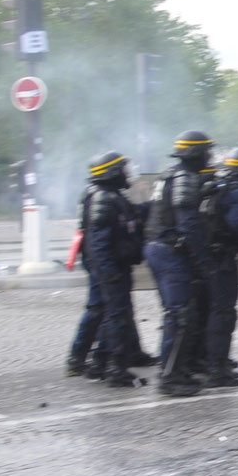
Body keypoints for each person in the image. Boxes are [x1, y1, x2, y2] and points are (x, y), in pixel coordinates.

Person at [144, 131, 218, 397]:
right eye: (207, 151)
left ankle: (180, 368)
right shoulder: (185, 178)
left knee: (183, 313)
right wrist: (205, 261)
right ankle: (170, 376)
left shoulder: (170, 175)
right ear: (196, 153)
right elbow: (188, 225)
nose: (210, 156)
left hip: (163, 249)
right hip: (169, 252)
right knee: (180, 315)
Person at [68, 151, 149, 387]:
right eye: (123, 169)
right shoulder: (103, 198)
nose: (128, 174)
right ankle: (111, 367)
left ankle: (97, 362)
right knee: (110, 314)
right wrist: (109, 273)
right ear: (112, 172)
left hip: (110, 266)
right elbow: (99, 244)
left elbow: (132, 213)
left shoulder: (110, 196)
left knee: (106, 312)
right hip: (108, 268)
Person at [202, 148, 238, 389]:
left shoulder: (217, 187)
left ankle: (213, 361)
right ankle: (218, 368)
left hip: (210, 256)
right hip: (223, 258)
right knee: (224, 312)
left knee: (213, 311)